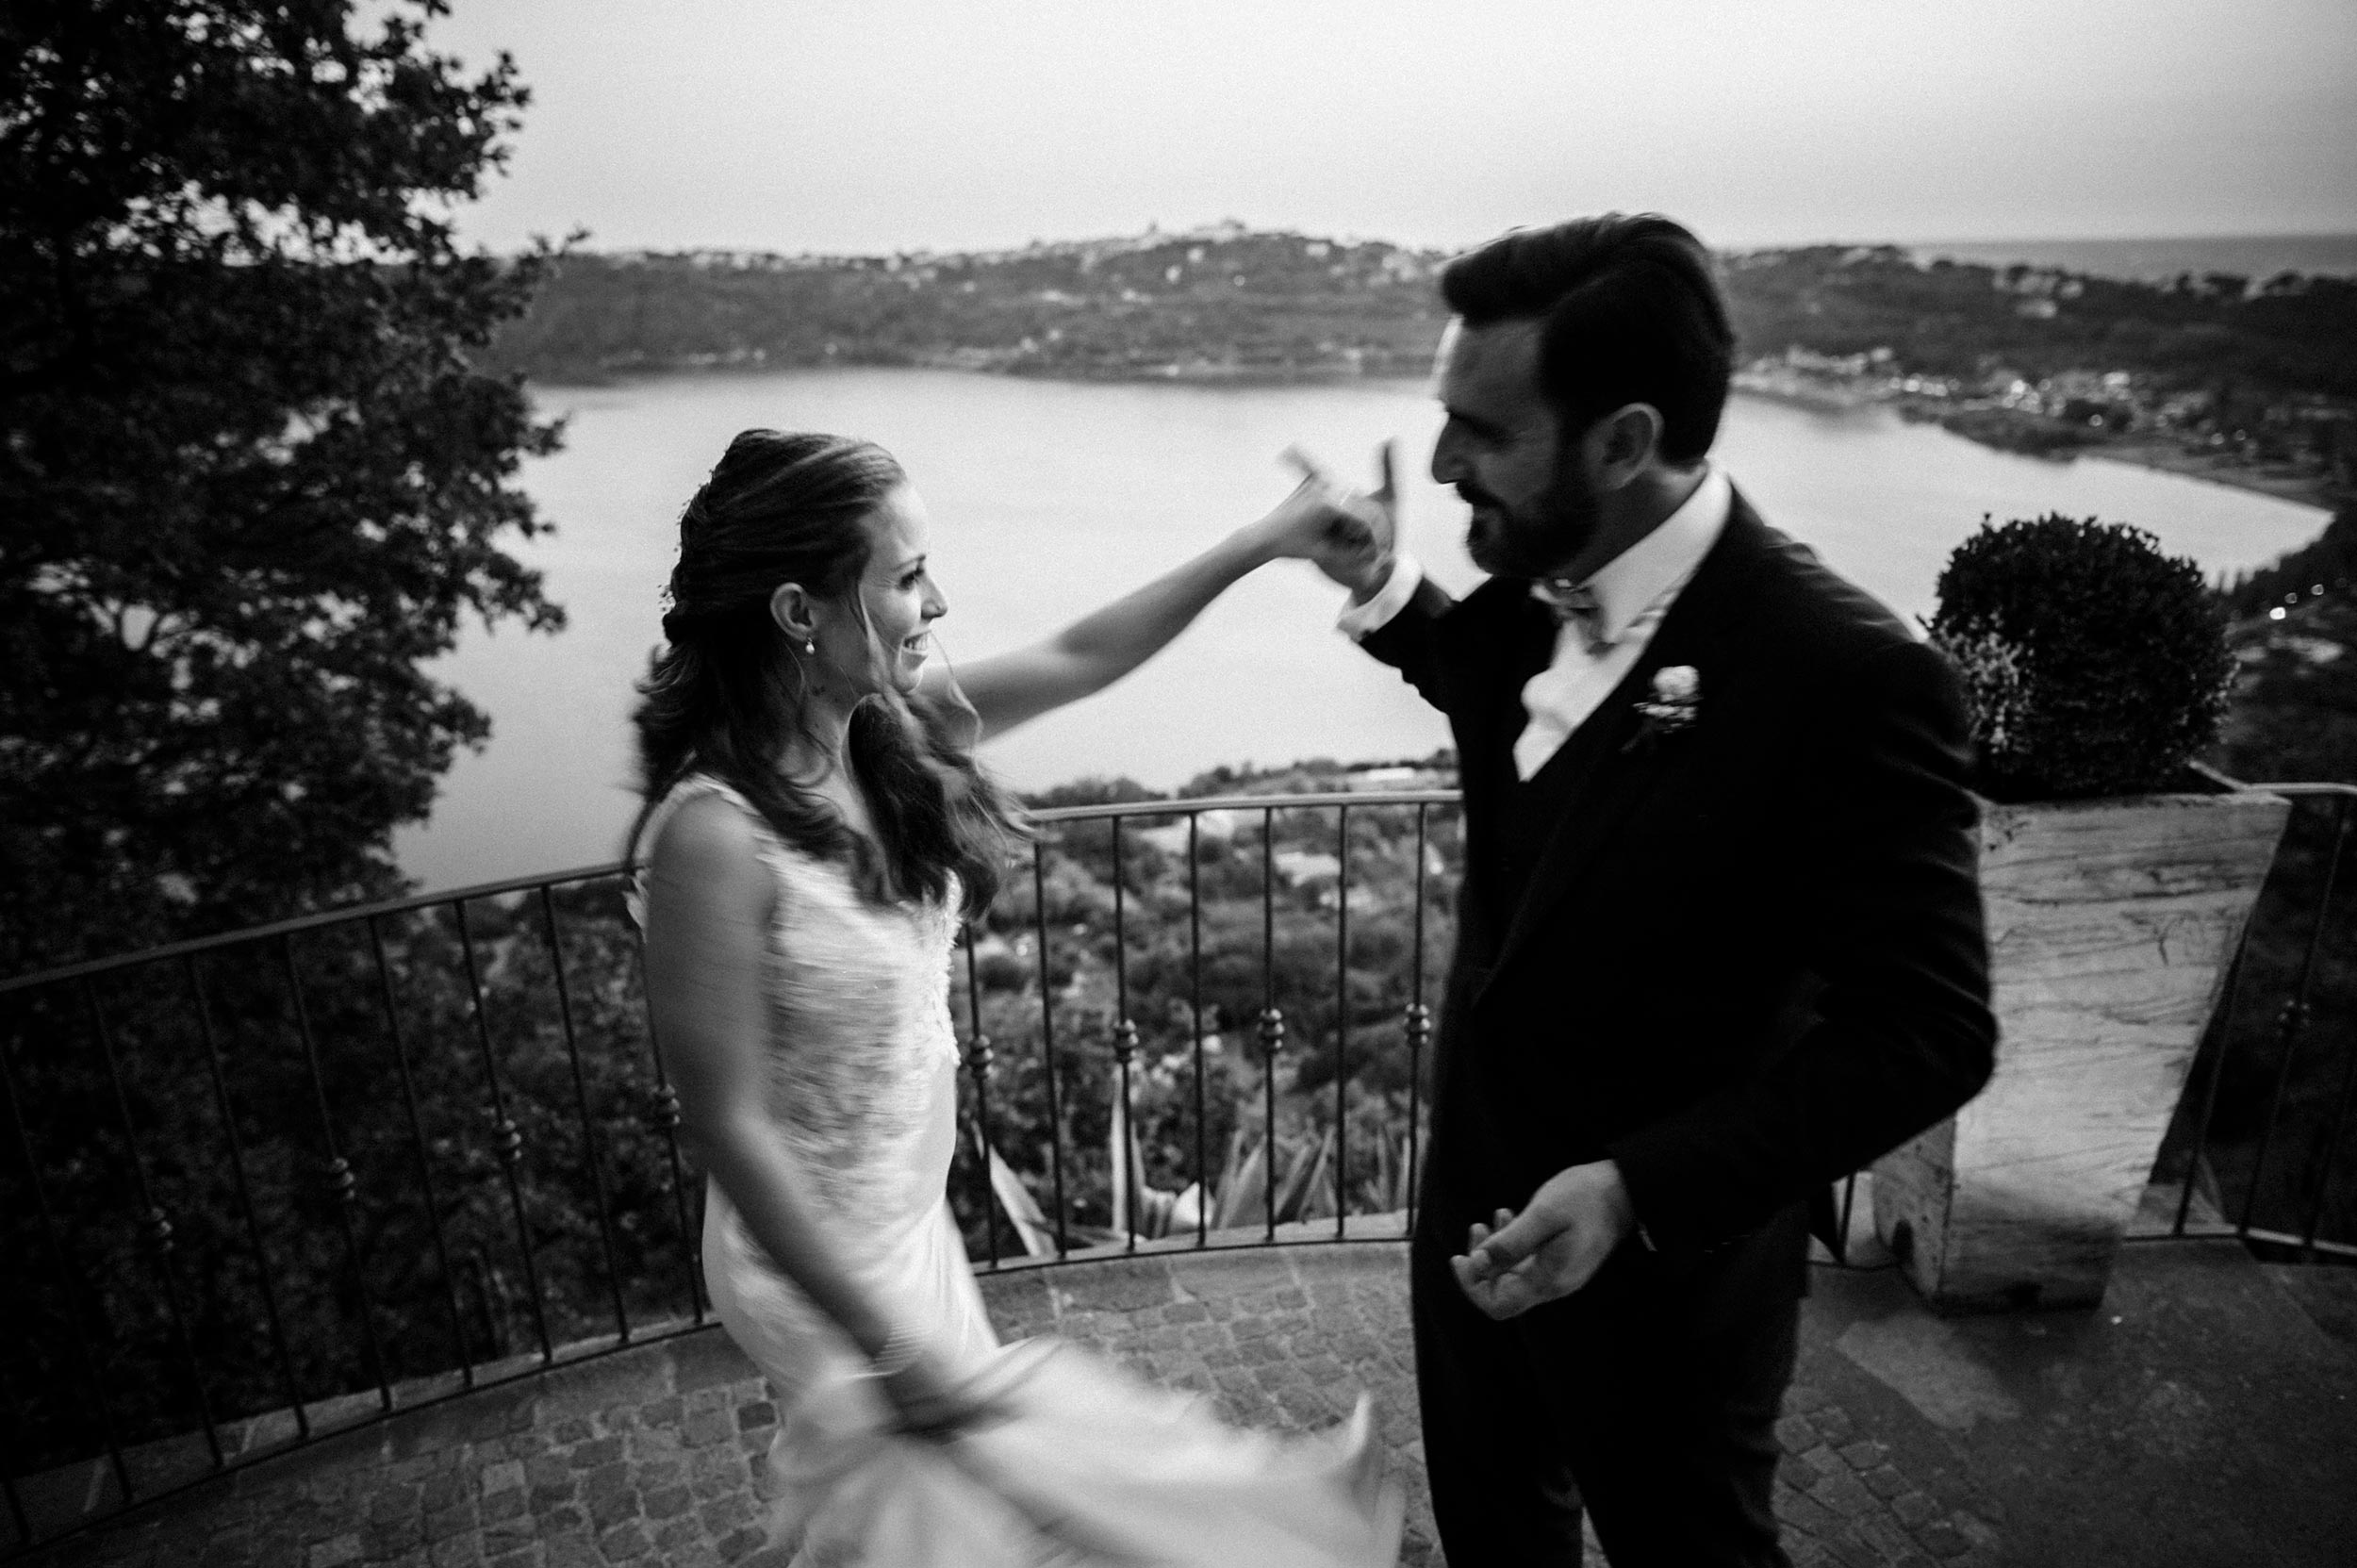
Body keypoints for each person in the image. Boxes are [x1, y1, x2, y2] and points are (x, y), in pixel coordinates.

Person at [1271, 215, 1998, 1566]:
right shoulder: (1546, 576)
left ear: (1620, 441)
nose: (1441, 462)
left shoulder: (1844, 672)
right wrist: (1380, 581)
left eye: (1481, 431)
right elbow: (1490, 685)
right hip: (1472, 1211)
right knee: (1497, 1531)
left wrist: (1633, 1187)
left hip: (1670, 1280)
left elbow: (1931, 1028)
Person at [628, 428, 1402, 1567]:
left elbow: (1083, 651)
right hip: (818, 1253)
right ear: (799, 611)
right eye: (904, 577)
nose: (935, 600)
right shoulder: (709, 835)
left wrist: (1264, 543)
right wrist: (885, 1340)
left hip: (905, 1215)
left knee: (973, 1492)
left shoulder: (882, 731)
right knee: (949, 1506)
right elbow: (727, 1120)